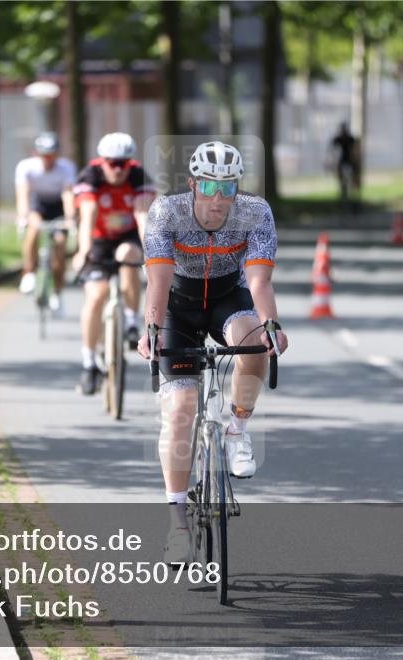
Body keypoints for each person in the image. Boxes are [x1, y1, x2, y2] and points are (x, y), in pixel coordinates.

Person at [138, 141, 289, 563]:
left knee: (255, 341)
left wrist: (271, 323)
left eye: (227, 187)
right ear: (193, 184)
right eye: (208, 186)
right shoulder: (167, 213)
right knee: (181, 408)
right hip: (178, 307)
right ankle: (178, 524)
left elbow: (258, 283)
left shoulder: (255, 212)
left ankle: (237, 430)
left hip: (227, 298)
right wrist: (151, 327)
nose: (218, 198)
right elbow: (159, 282)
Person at [72, 132, 154, 395]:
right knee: (96, 296)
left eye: (123, 164)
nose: (118, 170)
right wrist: (82, 251)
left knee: (129, 255)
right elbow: (87, 217)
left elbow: (142, 217)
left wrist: (153, 254)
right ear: (102, 161)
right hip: (98, 238)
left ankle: (131, 321)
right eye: (112, 163)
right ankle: (88, 364)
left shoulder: (138, 176)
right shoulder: (90, 177)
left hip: (127, 236)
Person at [15, 132, 78, 315]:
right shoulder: (26, 167)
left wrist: (70, 218)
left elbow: (68, 195)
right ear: (36, 153)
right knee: (33, 229)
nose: (48, 159)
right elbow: (23, 195)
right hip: (38, 204)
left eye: (51, 155)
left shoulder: (66, 168)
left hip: (57, 206)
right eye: (44, 155)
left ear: (57, 154)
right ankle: (28, 273)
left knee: (59, 246)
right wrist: (22, 217)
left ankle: (57, 292)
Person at [330, 122, 361, 206]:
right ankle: (343, 191)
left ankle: (351, 193)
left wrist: (355, 160)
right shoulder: (338, 139)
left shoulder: (350, 139)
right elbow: (332, 150)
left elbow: (354, 151)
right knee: (342, 179)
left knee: (350, 179)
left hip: (349, 161)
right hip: (342, 161)